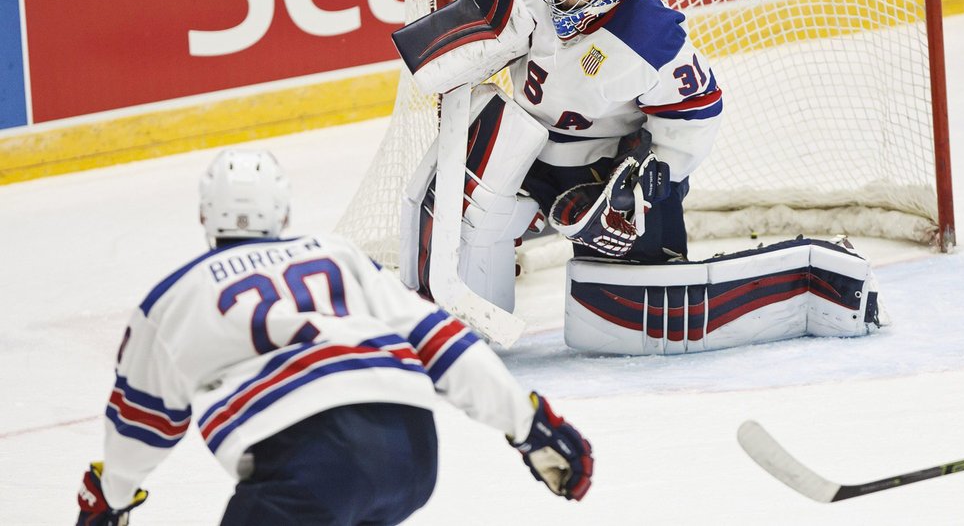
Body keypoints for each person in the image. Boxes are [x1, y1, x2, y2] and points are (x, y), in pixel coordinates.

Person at [75, 148, 593, 525]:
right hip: (410, 454)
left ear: (204, 216)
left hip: (304, 467)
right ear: (282, 213)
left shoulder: (172, 298)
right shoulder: (336, 254)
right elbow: (441, 341)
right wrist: (528, 423)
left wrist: (112, 496)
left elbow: (142, 424)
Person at [400, 0, 723, 310]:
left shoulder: (651, 39)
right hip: (519, 135)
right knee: (462, 212)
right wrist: (487, 23)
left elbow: (695, 112)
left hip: (596, 162)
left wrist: (651, 176)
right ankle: (450, 307)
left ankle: (653, 269)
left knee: (629, 288)